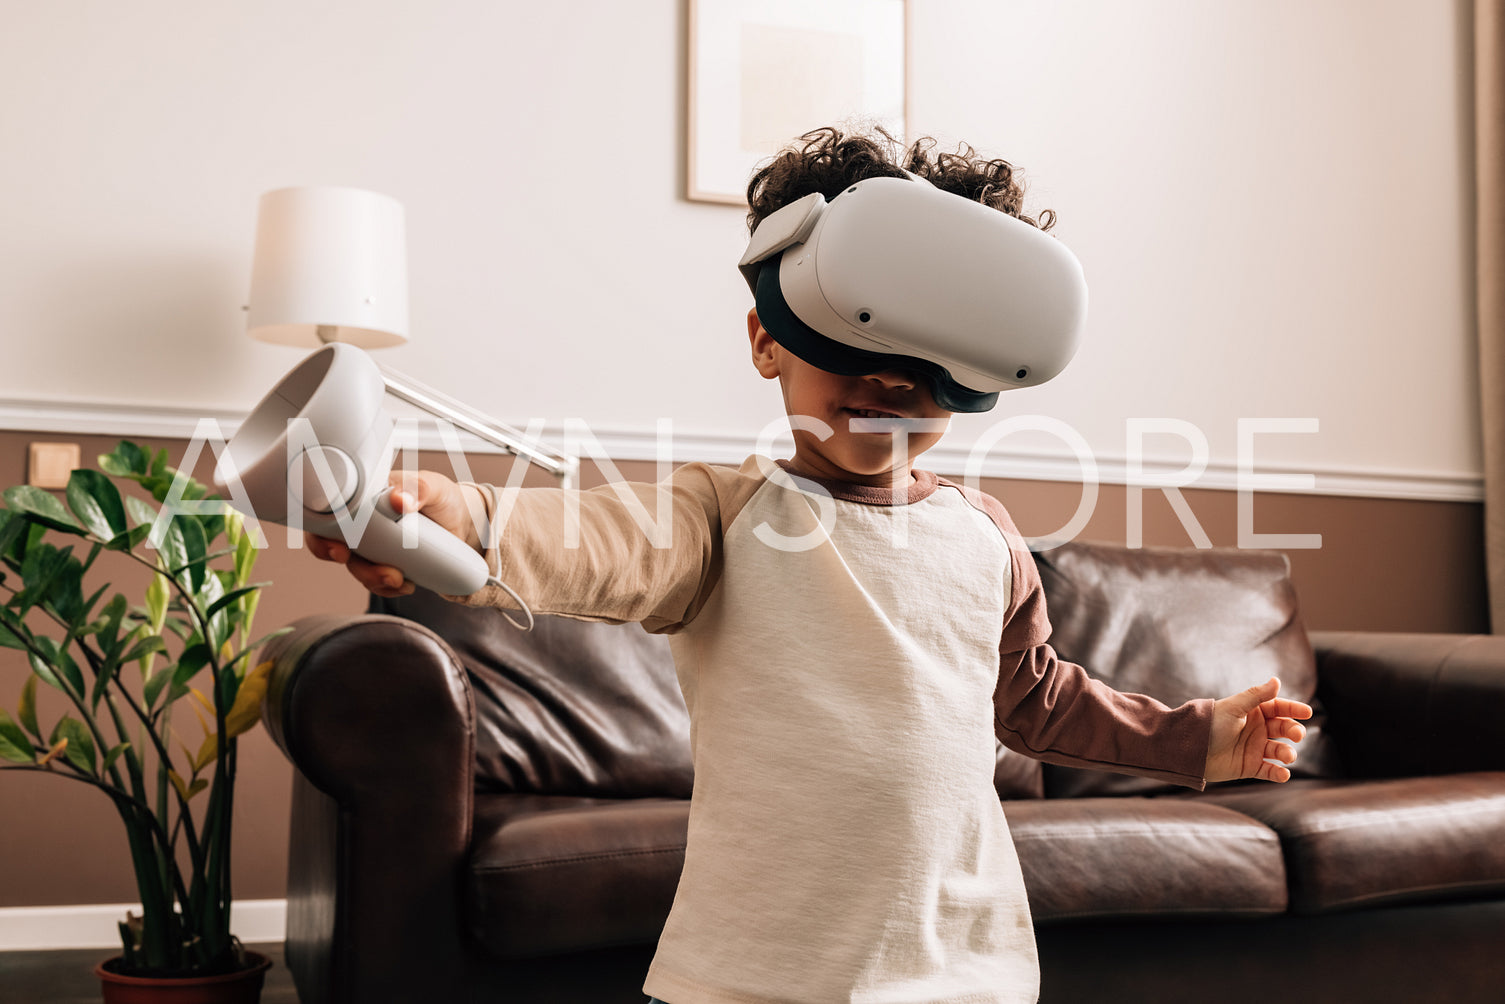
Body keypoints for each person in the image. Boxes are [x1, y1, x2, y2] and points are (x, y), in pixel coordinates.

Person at [308, 126, 1312, 1004]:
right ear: (766, 340)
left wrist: (1198, 738)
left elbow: (1036, 702)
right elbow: (591, 544)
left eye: (923, 373)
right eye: (856, 357)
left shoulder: (987, 537)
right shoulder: (726, 515)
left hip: (954, 965)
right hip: (756, 971)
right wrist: (453, 516)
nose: (888, 387)